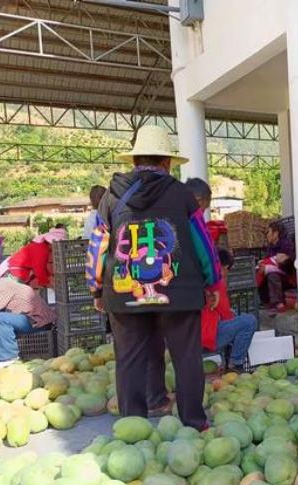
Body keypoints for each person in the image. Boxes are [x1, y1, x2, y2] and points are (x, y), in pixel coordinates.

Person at [87, 125, 221, 425]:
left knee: (129, 359)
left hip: (124, 292)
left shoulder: (110, 198)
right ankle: (193, 423)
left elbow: (97, 246)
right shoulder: (183, 195)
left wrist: (96, 289)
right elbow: (203, 243)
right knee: (186, 359)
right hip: (178, 292)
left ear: (134, 160)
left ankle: (132, 424)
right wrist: (212, 282)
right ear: (166, 162)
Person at [0, 272, 56, 361]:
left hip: (38, 321)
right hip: (28, 319)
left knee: (0, 319)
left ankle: (9, 359)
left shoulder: (2, 286)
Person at [202, 249, 258, 372]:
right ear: (225, 267)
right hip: (206, 339)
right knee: (249, 321)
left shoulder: (200, 277)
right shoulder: (216, 283)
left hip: (190, 336)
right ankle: (236, 364)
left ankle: (226, 361)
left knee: (234, 315)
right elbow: (226, 315)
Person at [0, 227, 68, 288]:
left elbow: (42, 268)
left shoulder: (43, 247)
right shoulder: (41, 249)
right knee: (15, 296)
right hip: (16, 272)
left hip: (19, 271)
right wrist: (46, 283)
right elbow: (39, 268)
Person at [258, 222, 295, 313]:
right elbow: (268, 260)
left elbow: (288, 265)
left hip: (288, 277)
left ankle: (277, 303)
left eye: (268, 232)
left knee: (272, 274)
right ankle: (266, 302)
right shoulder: (270, 247)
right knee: (261, 272)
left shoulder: (287, 245)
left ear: (276, 233)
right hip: (276, 273)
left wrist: (269, 267)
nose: (267, 235)